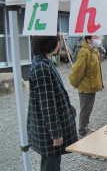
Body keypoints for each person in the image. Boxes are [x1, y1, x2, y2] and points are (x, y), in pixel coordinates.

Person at [27, 35, 77, 171]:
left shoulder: (44, 62)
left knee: (53, 161)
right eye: (57, 41)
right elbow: (47, 104)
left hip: (49, 126)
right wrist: (56, 133)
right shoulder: (41, 67)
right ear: (49, 44)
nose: (59, 43)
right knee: (51, 164)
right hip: (48, 129)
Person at [69, 35, 104, 139]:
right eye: (95, 37)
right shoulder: (85, 52)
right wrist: (74, 83)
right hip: (86, 86)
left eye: (98, 37)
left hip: (91, 85)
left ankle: (85, 127)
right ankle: (82, 131)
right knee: (85, 109)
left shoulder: (92, 50)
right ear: (88, 40)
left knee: (88, 108)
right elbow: (78, 70)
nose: (98, 39)